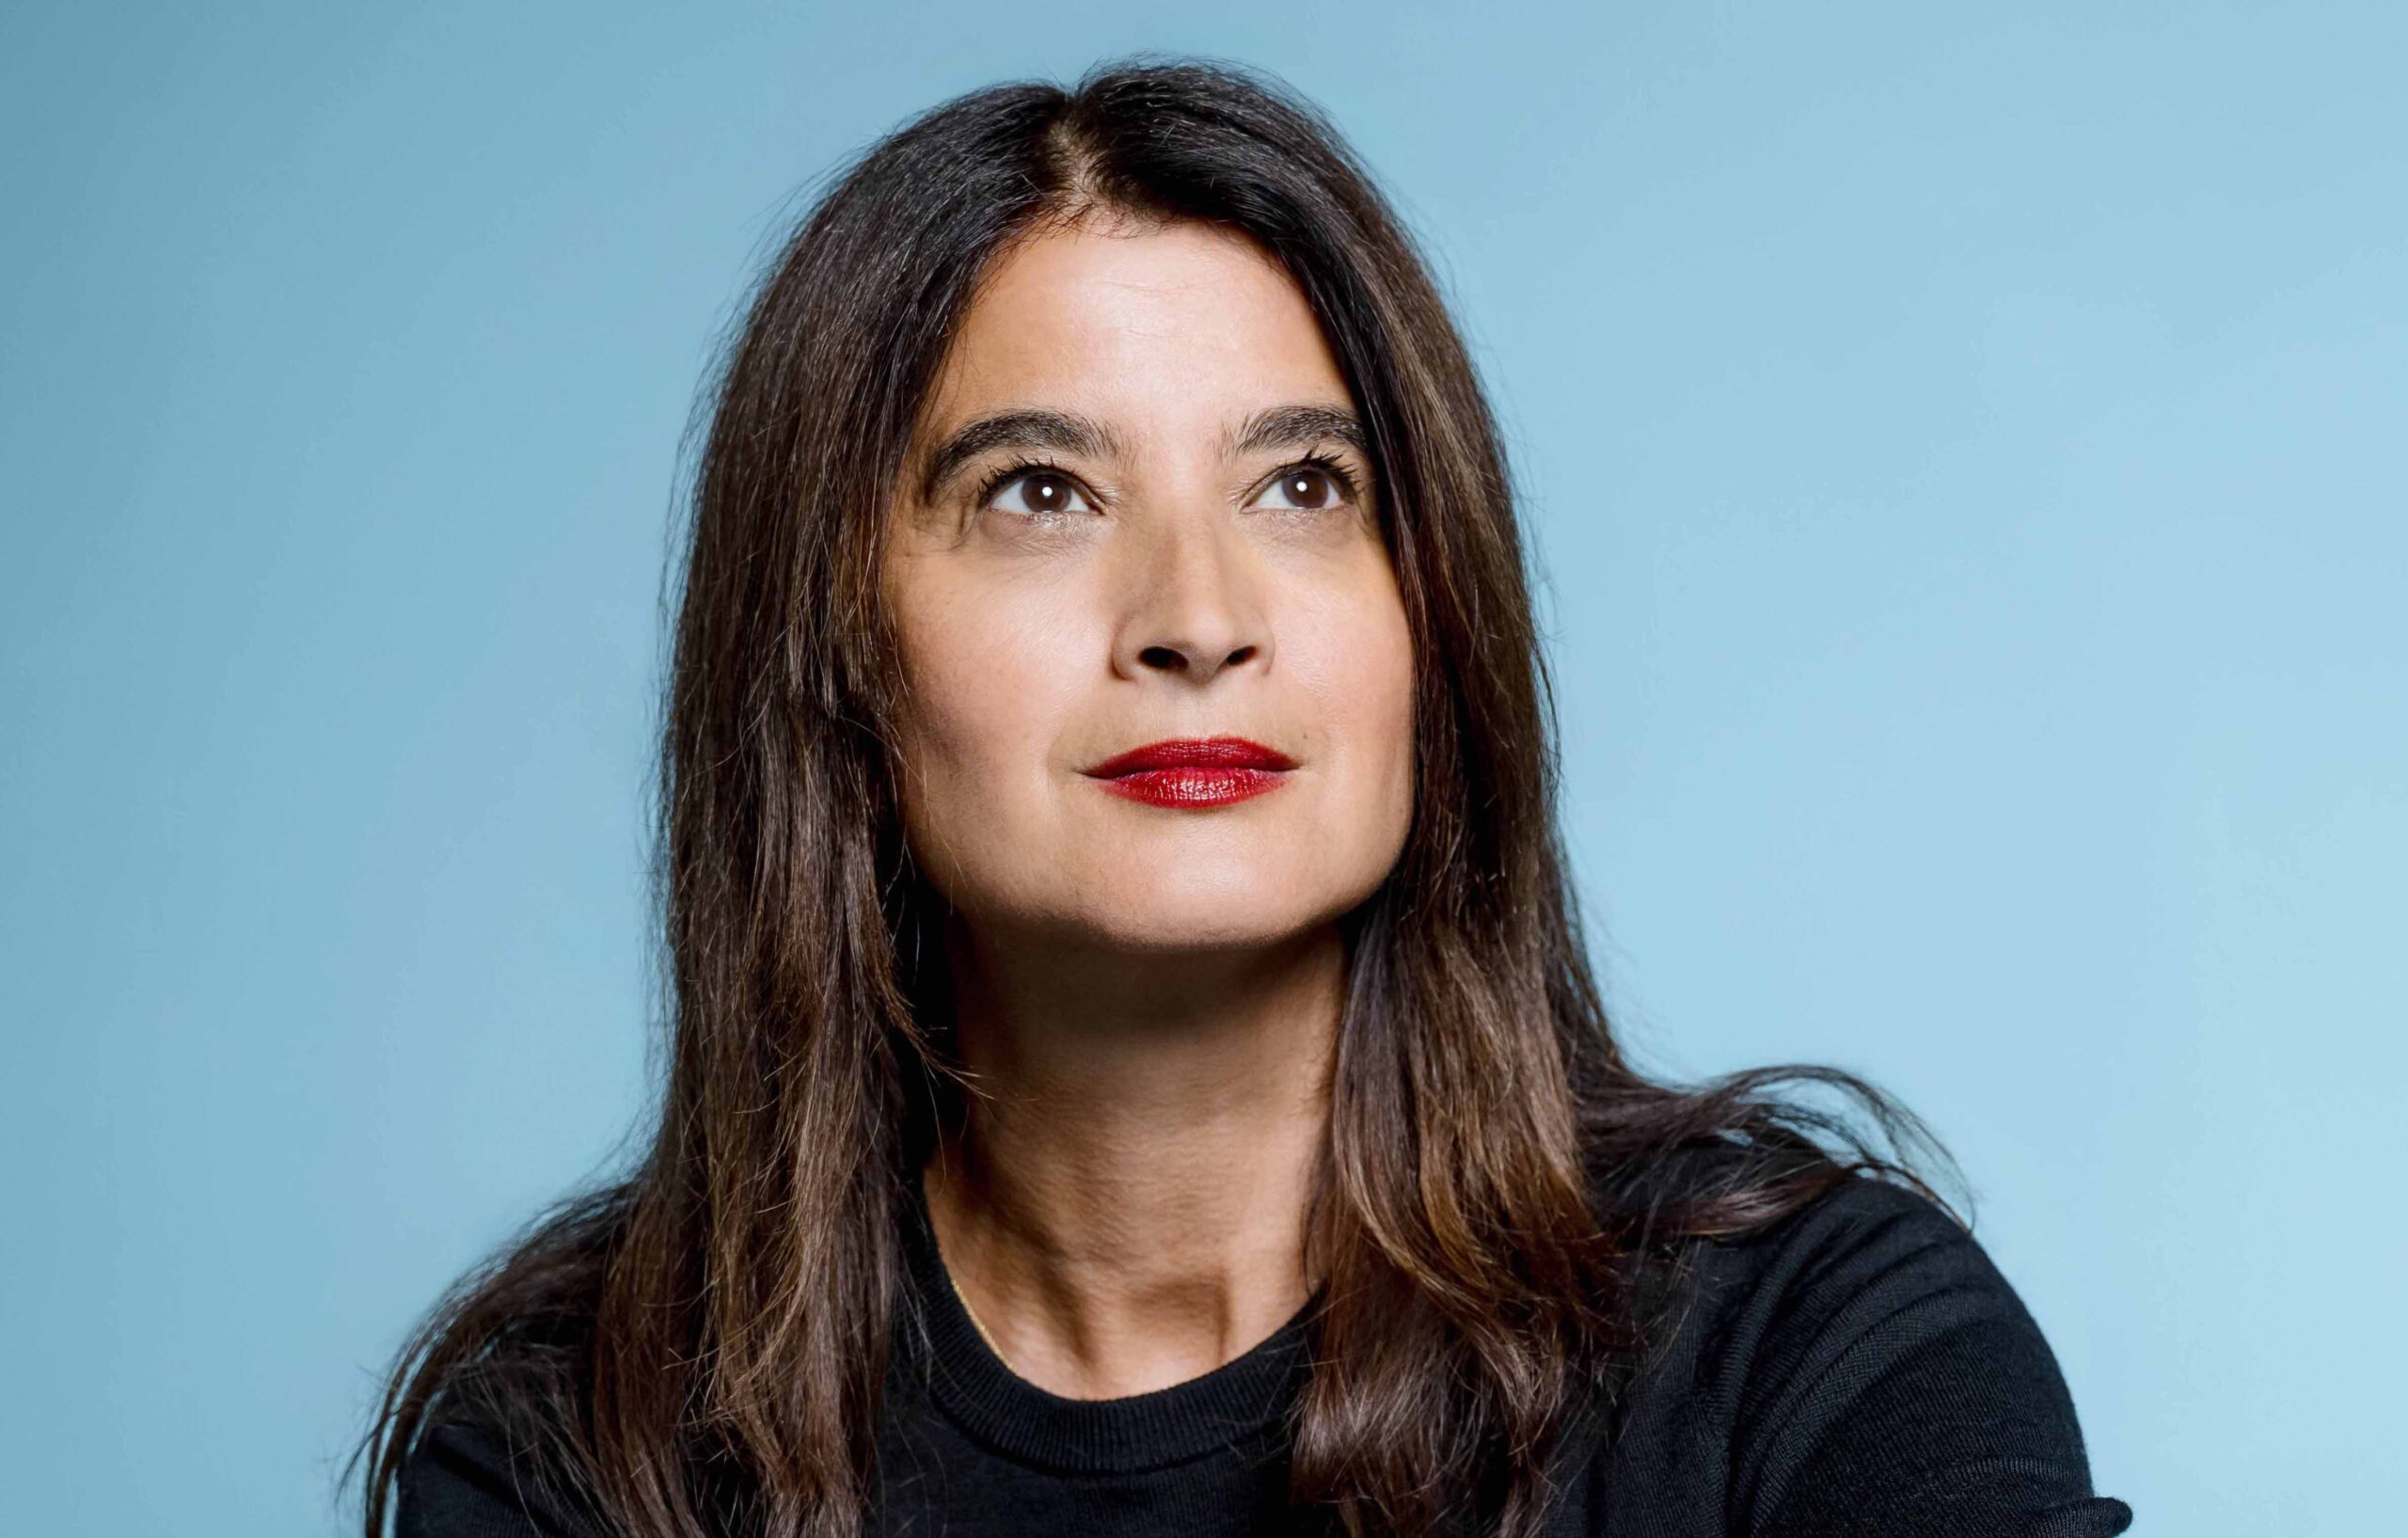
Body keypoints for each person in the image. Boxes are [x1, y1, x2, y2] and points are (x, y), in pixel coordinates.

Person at [353, 55, 2132, 1538]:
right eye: (1038, 493)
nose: (1197, 621)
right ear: (836, 654)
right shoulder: (584, 1456)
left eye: (1302, 487)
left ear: (1433, 616)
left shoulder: (1816, 1357)